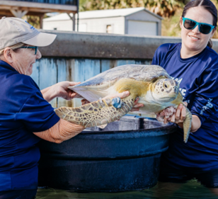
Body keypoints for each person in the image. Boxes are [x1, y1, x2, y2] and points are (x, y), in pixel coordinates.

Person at [0, 17, 143, 199]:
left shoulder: (9, 86)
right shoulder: (19, 84)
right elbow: (56, 132)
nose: (38, 56)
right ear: (9, 54)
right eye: (33, 49)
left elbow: (10, 109)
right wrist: (104, 107)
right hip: (10, 189)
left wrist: (51, 91)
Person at [152, 0, 218, 196]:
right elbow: (151, 97)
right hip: (170, 156)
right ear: (181, 23)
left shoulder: (213, 65)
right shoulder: (163, 53)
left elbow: (195, 121)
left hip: (208, 157)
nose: (196, 31)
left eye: (204, 27)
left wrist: (181, 117)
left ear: (212, 32)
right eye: (190, 23)